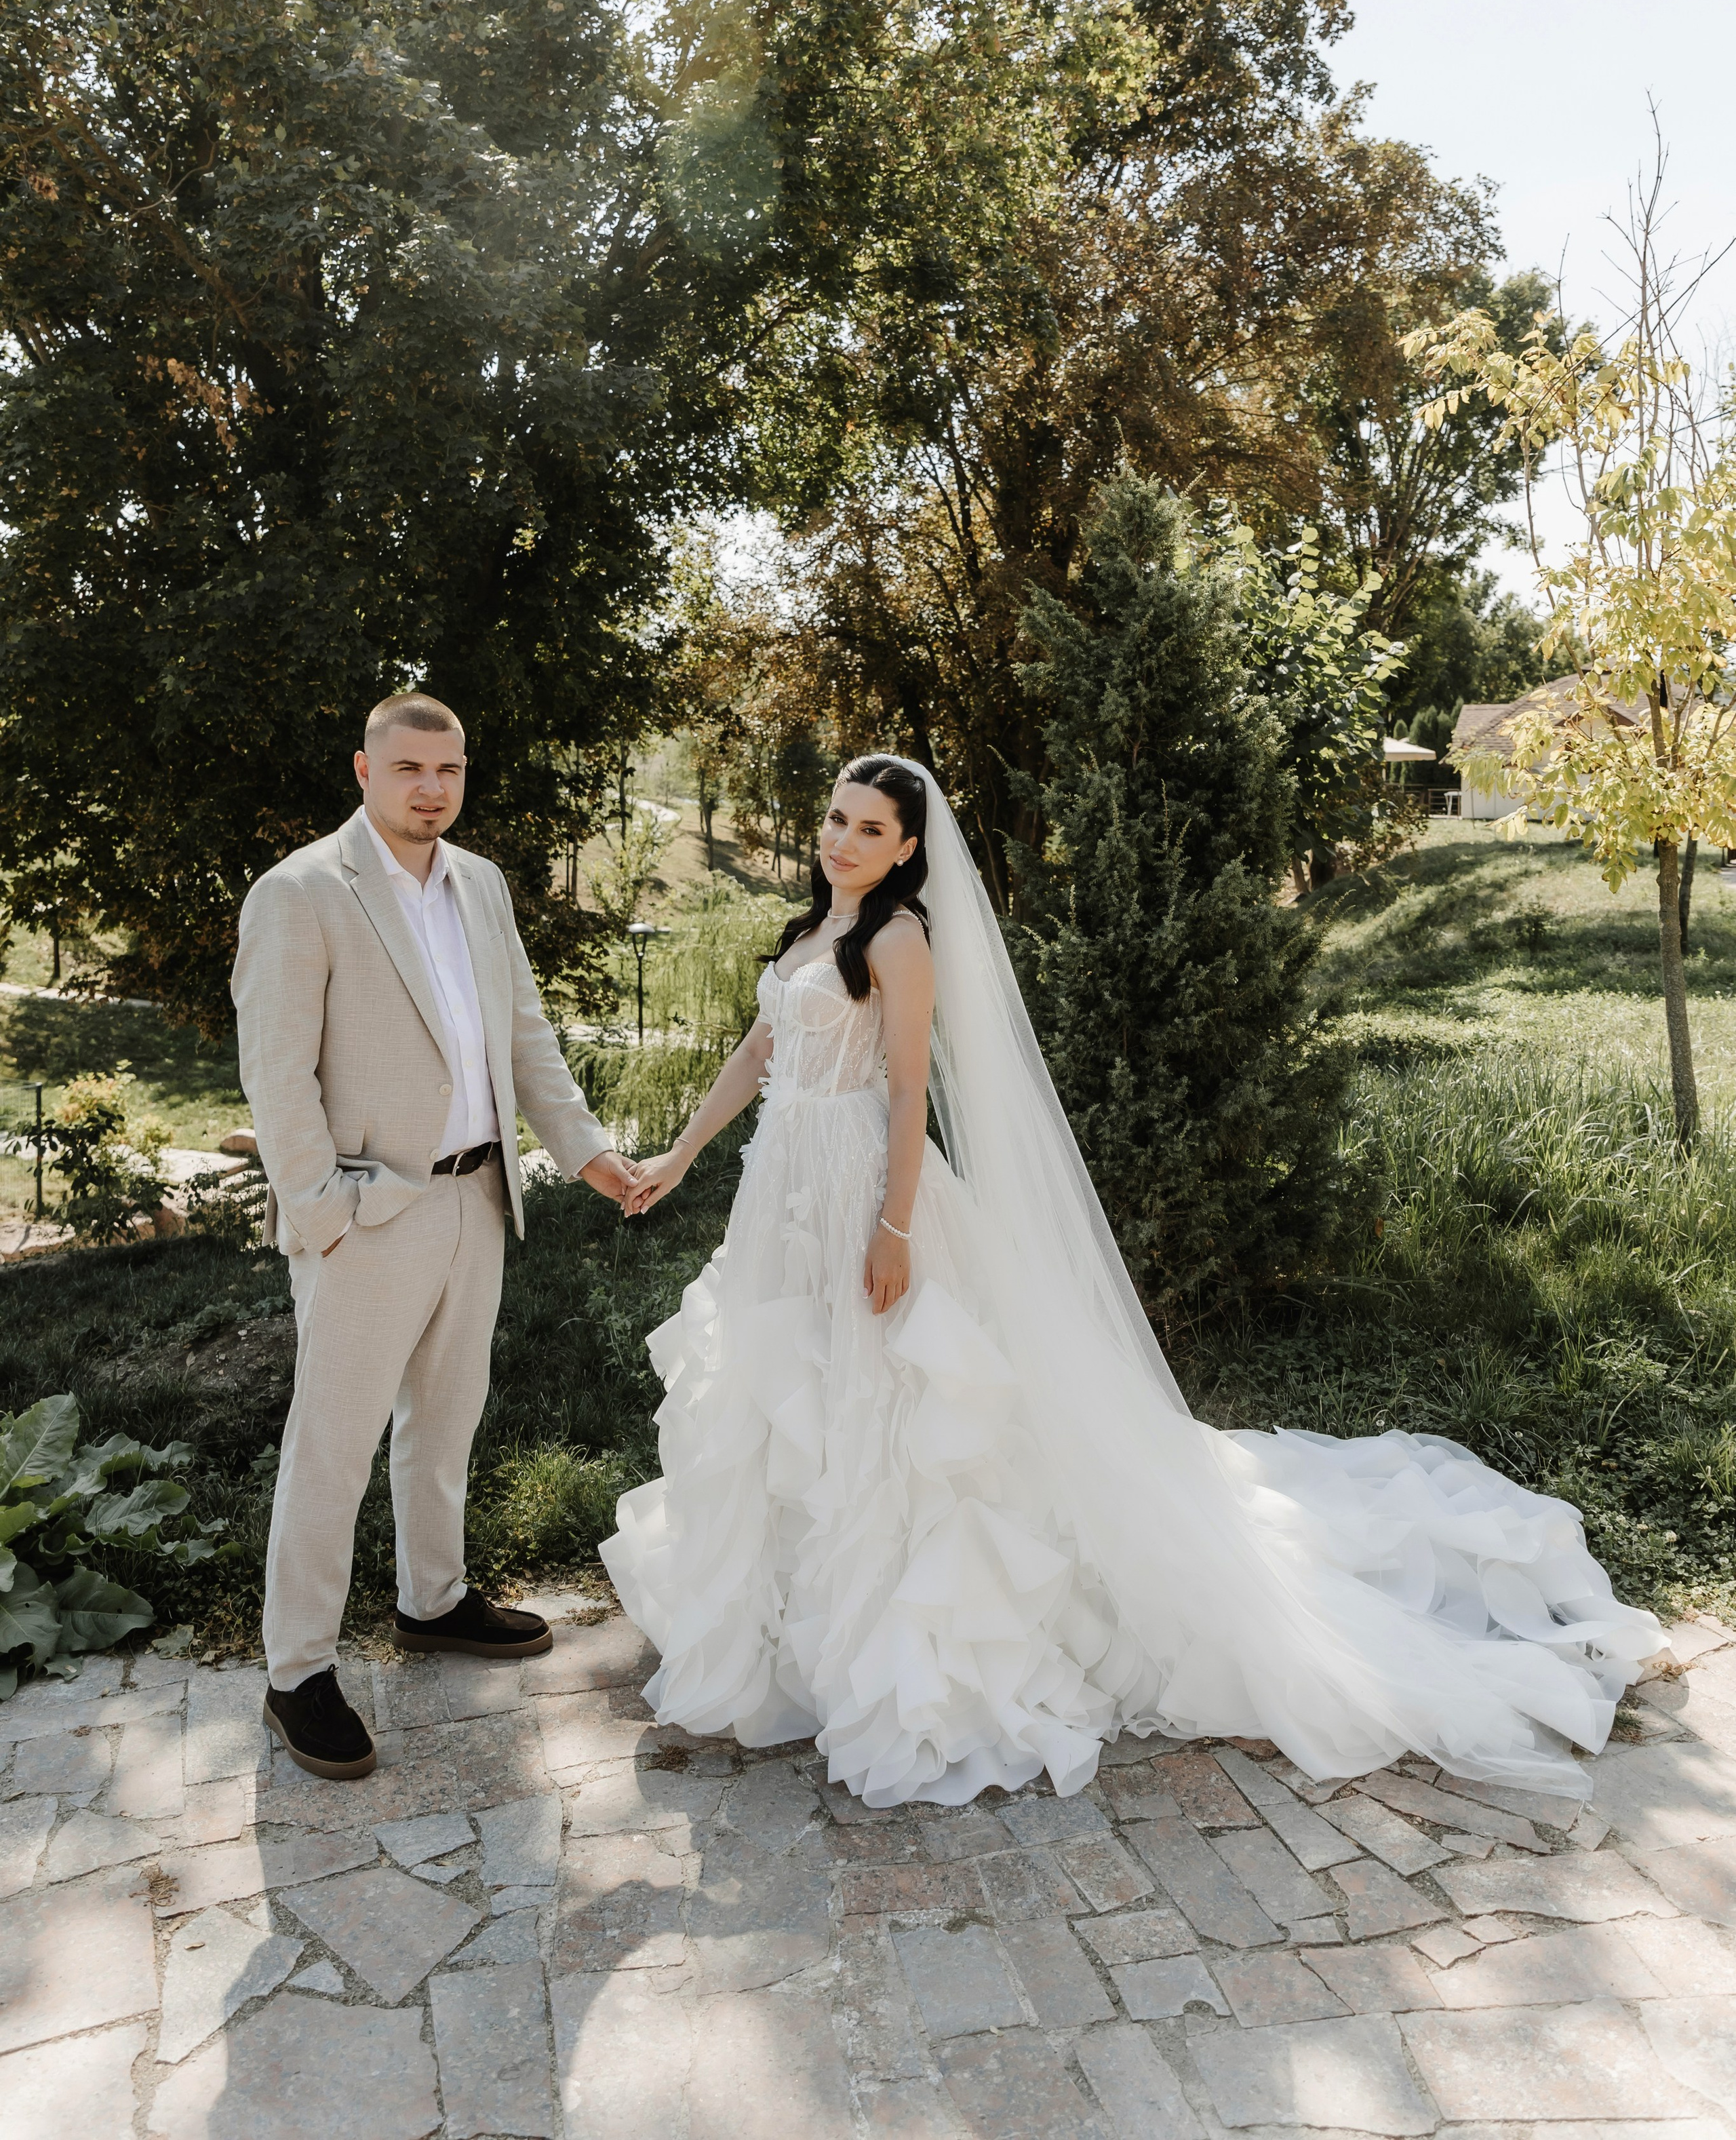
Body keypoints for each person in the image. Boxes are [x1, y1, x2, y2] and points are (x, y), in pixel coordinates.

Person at [601, 754, 1663, 1810]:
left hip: (862, 1196)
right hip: (779, 1197)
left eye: (869, 829)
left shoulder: (899, 937)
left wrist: (894, 1228)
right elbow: (759, 1051)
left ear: (909, 849)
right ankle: (790, 1635)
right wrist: (679, 1156)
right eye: (835, 819)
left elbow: (912, 1092)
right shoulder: (813, 933)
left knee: (894, 1411)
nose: (841, 841)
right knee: (792, 1395)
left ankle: (903, 1647)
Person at [233, 693, 639, 1780]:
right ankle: (297, 1670)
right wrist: (323, 1214)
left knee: (445, 1419)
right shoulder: (303, 893)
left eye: (449, 770)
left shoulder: (483, 884)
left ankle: (433, 1599)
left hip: (477, 1199)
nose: (431, 788)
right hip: (370, 1213)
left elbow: (524, 1034)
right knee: (334, 1444)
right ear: (363, 771)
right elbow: (276, 1077)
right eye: (409, 768)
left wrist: (585, 1151)